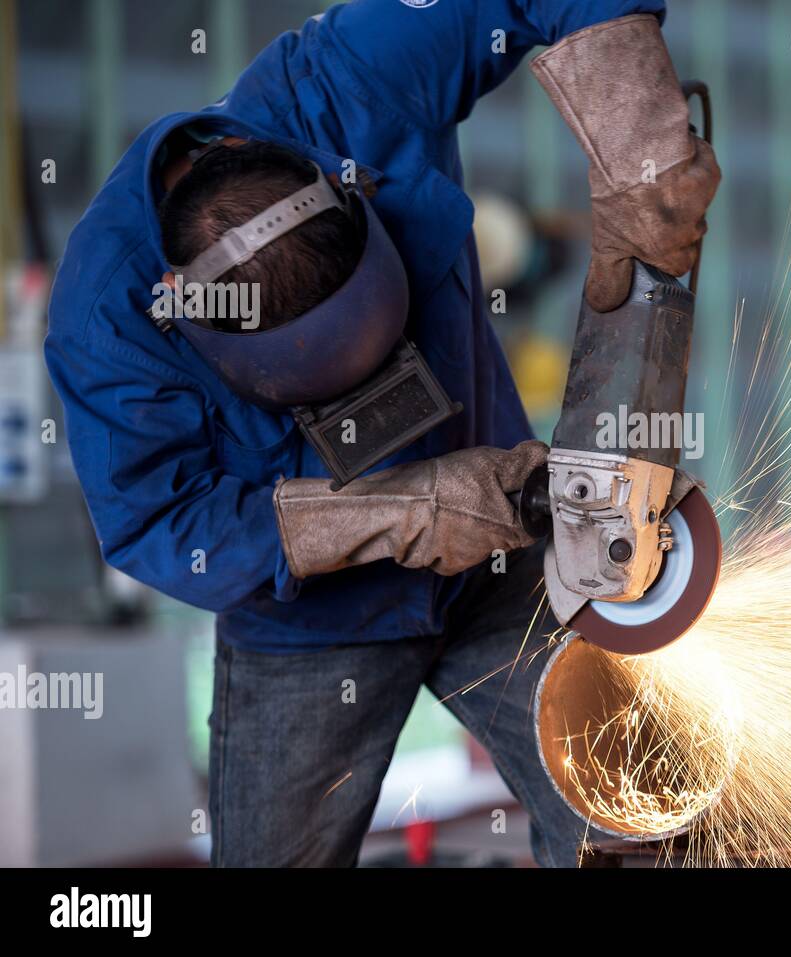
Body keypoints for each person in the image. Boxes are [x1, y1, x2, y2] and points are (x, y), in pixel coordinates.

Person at [44, 1, 719, 867]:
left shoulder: (350, 82)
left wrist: (642, 154)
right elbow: (159, 525)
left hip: (518, 560)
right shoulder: (107, 321)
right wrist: (400, 511)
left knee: (650, 823)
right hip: (313, 631)